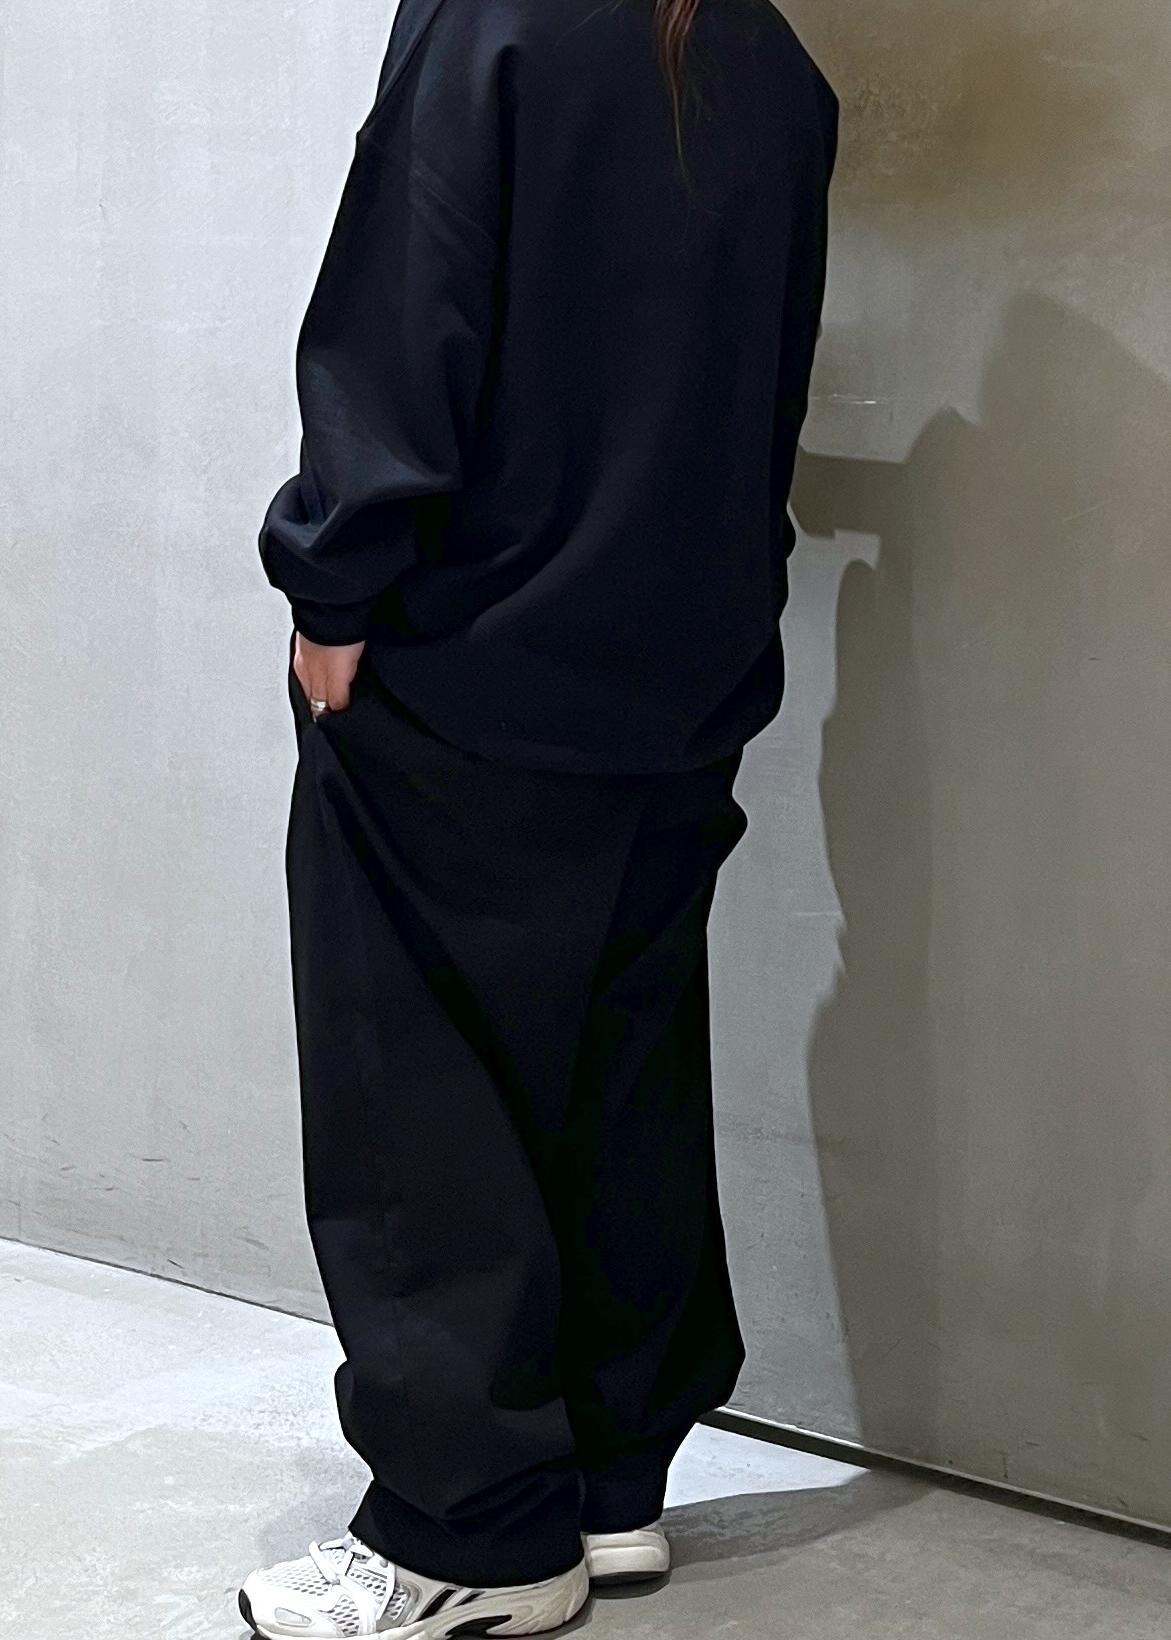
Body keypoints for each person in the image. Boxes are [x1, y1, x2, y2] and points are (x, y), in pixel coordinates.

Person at [240, 0, 837, 1630]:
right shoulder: (768, 55)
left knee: (420, 1088)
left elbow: (404, 314)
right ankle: (609, 1483)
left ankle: (472, 1535)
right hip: (681, 670)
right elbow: (768, 380)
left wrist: (333, 582)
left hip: (478, 656)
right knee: (618, 1073)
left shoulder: (494, 21)